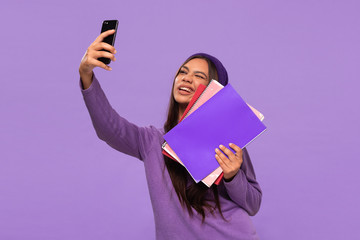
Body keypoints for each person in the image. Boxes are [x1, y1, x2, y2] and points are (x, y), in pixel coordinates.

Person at [79, 29, 262, 240]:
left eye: (199, 76)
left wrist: (232, 176)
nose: (186, 79)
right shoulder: (151, 140)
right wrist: (86, 74)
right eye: (183, 72)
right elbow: (109, 128)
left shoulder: (229, 140)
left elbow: (253, 203)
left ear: (214, 90)